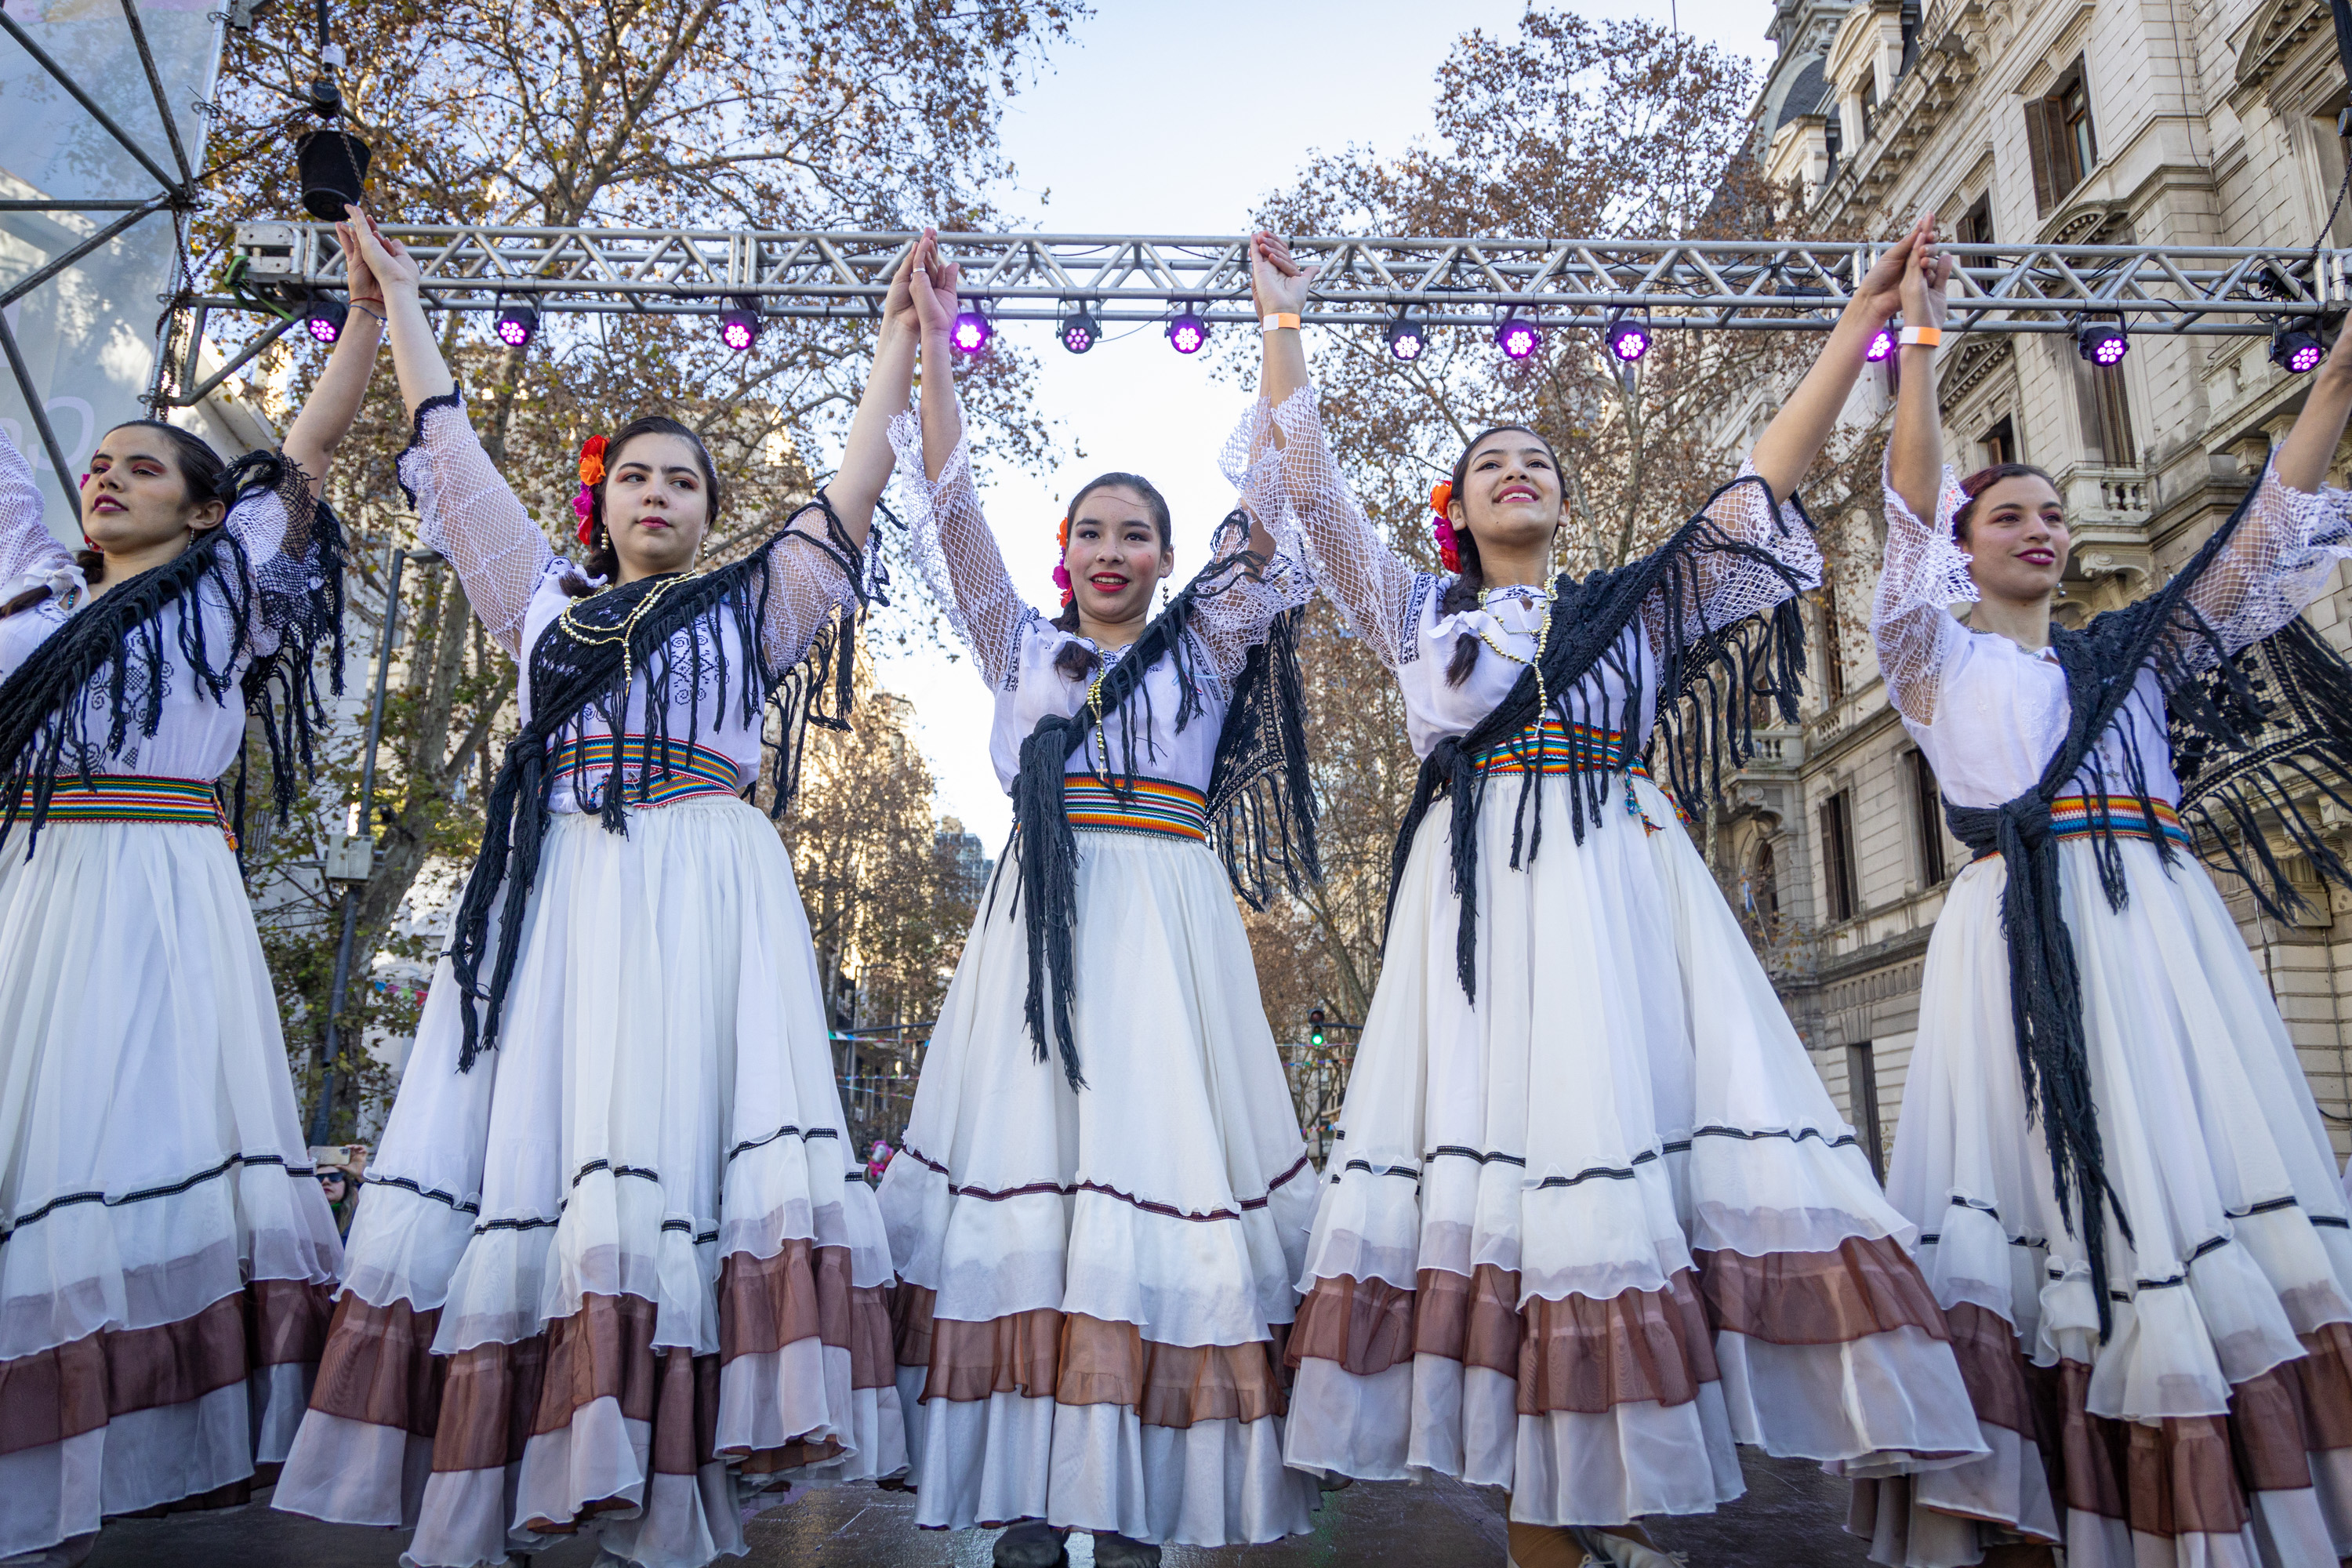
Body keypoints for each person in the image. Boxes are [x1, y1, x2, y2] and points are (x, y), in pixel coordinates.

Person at [1252, 220, 1987, 1568]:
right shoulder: (1418, 611)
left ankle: (1599, 1508)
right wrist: (1283, 320)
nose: (1516, 471)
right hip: (1483, 909)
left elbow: (1767, 475)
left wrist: (1862, 326)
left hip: (1625, 888)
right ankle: (1557, 1525)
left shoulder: (1641, 607)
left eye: (1537, 460)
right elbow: (1313, 494)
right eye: (1489, 465)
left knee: (1631, 1176)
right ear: (1457, 512)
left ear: (1565, 501)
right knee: (1530, 1195)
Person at [270, 211, 914, 1568]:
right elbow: (449, 453)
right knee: (548, 1161)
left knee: (674, 1163)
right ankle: (529, 1467)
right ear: (600, 500)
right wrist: (398, 298)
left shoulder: (759, 611)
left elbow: (850, 493)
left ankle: (668, 1483)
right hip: (562, 901)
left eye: (685, 482)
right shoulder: (540, 610)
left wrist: (899, 348)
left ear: (708, 511)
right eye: (636, 477)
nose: (660, 496)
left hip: (705, 903)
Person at [1849, 225, 2352, 1568]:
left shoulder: (2132, 654)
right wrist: (1922, 350)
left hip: (2160, 928)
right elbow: (1906, 507)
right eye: (2011, 512)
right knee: (2048, 1214)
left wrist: (2341, 379)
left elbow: (2259, 547)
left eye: (2054, 512)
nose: (2044, 527)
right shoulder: (1930, 658)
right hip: (2021, 936)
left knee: (2190, 1186)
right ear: (1965, 550)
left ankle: (2210, 1497)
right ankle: (2049, 1514)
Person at [874, 233, 1323, 1567]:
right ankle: (1026, 1497)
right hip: (1037, 939)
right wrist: (934, 343)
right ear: (1062, 553)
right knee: (1041, 1197)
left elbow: (1288, 497)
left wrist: (1279, 328)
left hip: (1168, 937)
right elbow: (948, 502)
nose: (1111, 548)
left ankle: (1130, 1501)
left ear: (1171, 554)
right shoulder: (1018, 642)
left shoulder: (1213, 637)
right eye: (1091, 531)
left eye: (1137, 533)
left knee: (1149, 1185)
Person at [0, 221, 375, 1564]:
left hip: (160, 897)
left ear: (206, 508)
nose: (106, 478)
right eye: (95, 465)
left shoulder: (224, 595)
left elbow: (313, 452)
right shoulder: (29, 607)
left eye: (141, 465)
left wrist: (370, 322)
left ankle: (134, 1452)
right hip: (34, 896)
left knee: (134, 1153)